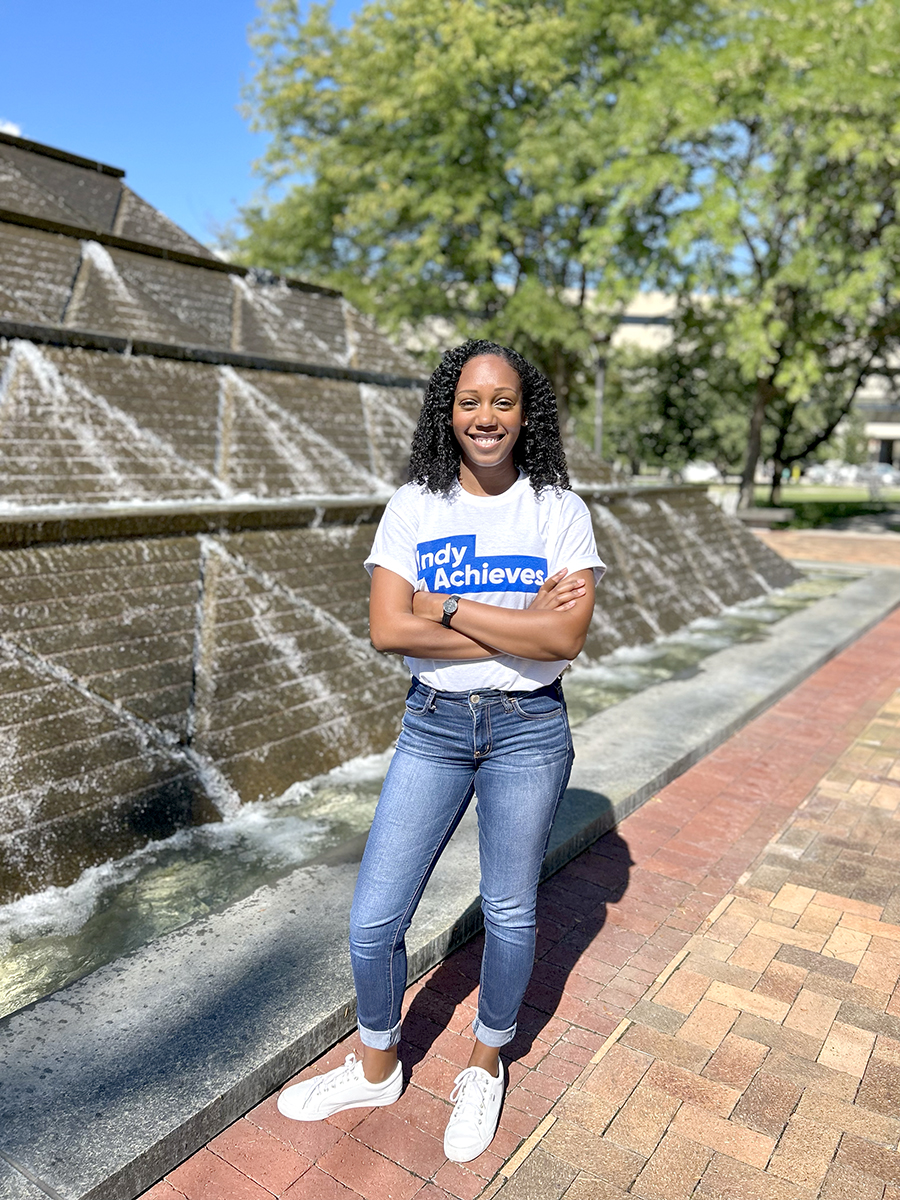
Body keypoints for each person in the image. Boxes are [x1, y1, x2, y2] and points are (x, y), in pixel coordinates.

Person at [277, 340, 605, 1163]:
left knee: (509, 910)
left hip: (529, 728)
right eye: (469, 401)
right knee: (373, 919)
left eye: (502, 402)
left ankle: (485, 1064)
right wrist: (519, 625)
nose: (485, 417)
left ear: (526, 413)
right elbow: (389, 629)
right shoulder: (415, 505)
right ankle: (377, 1065)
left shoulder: (558, 509)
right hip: (434, 725)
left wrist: (449, 607)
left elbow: (565, 638)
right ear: (447, 412)